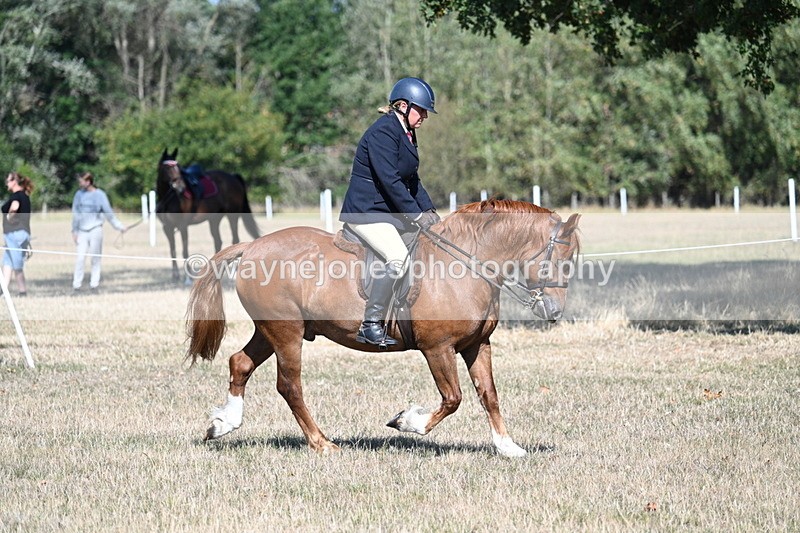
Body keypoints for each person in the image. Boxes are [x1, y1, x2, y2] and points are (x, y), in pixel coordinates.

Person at [339, 77, 441, 346]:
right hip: (367, 213)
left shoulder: (406, 131)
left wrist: (429, 211)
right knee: (397, 258)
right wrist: (415, 215)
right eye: (422, 109)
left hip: (387, 213)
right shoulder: (383, 132)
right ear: (402, 105)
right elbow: (390, 181)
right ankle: (371, 323)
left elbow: (412, 180)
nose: (425, 116)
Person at [71, 172, 127, 293]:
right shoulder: (78, 195)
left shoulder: (100, 195)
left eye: (81, 181)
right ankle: (76, 285)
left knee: (95, 258)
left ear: (88, 181)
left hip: (96, 229)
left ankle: (94, 284)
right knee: (80, 258)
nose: (80, 183)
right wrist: (74, 231)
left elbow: (109, 214)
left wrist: (119, 226)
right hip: (82, 231)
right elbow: (75, 214)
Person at [2, 172, 33, 296]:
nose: (7, 183)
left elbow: (15, 207)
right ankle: (3, 290)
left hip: (15, 234)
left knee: (17, 264)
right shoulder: (24, 195)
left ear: (14, 181)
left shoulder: (16, 196)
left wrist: (9, 216)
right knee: (7, 262)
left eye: (8, 180)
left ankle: (22, 291)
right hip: (19, 233)